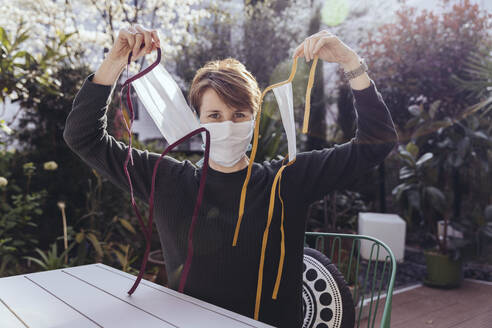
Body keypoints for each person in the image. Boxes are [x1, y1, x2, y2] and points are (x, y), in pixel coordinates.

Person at [63, 23, 398, 328]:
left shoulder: (288, 180)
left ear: (253, 120)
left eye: (239, 114)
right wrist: (115, 60)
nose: (227, 125)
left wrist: (351, 62)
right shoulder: (165, 179)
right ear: (198, 121)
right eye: (214, 114)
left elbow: (375, 145)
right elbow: (82, 137)